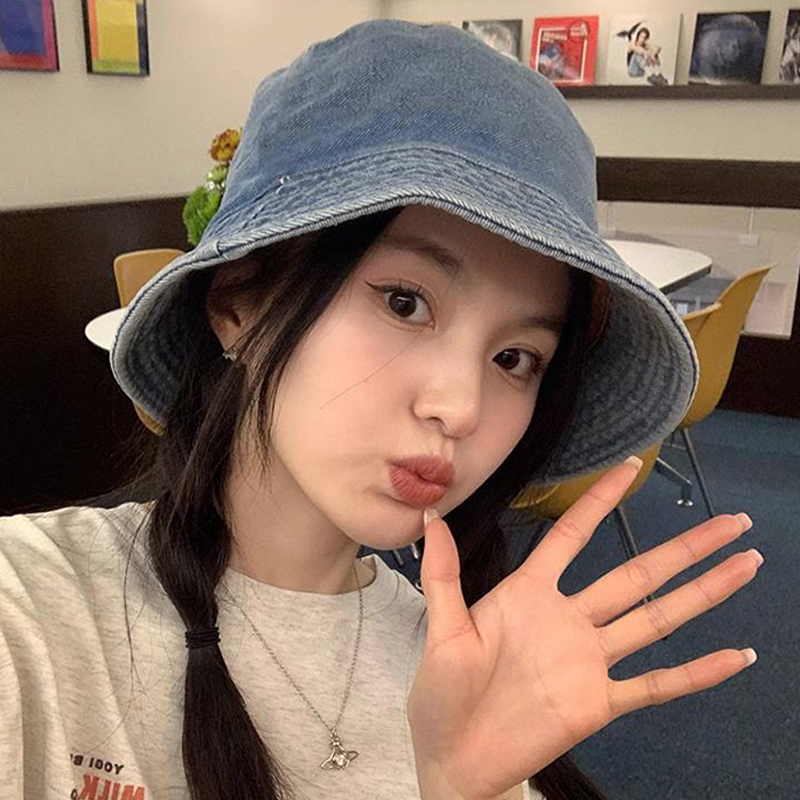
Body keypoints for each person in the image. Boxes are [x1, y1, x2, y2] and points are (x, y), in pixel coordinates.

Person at [0, 19, 761, 800]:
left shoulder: (464, 671)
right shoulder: (33, 610)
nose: (460, 409)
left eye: (515, 359)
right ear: (237, 306)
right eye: (405, 302)